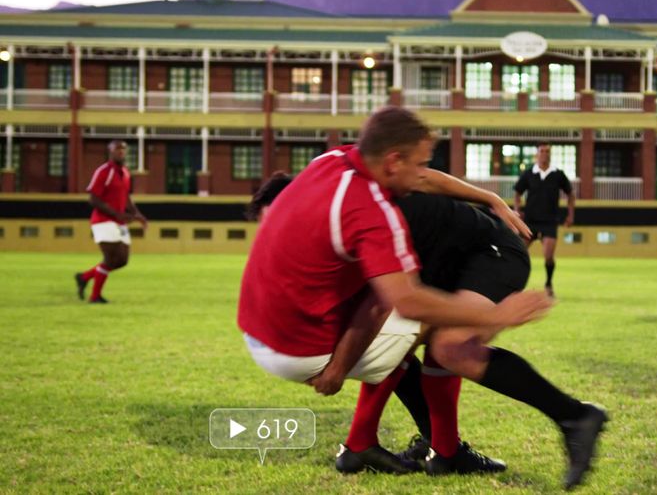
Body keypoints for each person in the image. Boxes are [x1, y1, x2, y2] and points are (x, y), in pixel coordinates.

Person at [248, 174, 608, 490]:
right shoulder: (322, 223)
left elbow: (417, 179)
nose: (276, 241)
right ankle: (441, 450)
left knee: (446, 346)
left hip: (489, 253)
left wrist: (337, 369)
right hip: (437, 267)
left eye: (278, 227)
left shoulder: (348, 212)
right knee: (393, 341)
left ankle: (575, 416)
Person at [75, 140, 147, 304]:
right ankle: (95, 296)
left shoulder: (126, 172)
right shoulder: (104, 171)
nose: (121, 152)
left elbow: (126, 197)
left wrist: (137, 214)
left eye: (123, 149)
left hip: (119, 222)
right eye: (117, 149)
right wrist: (116, 213)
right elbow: (93, 199)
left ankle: (84, 277)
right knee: (110, 258)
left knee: (122, 260)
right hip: (103, 221)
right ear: (110, 152)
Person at [513, 143, 575, 298]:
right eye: (542, 151)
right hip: (530, 221)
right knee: (519, 253)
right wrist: (517, 210)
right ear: (537, 154)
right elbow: (517, 193)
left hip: (549, 221)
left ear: (550, 154)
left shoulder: (558, 174)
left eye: (547, 151)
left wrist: (570, 214)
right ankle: (515, 286)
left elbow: (570, 194)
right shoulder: (529, 174)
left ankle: (548, 284)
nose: (545, 154)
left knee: (548, 256)